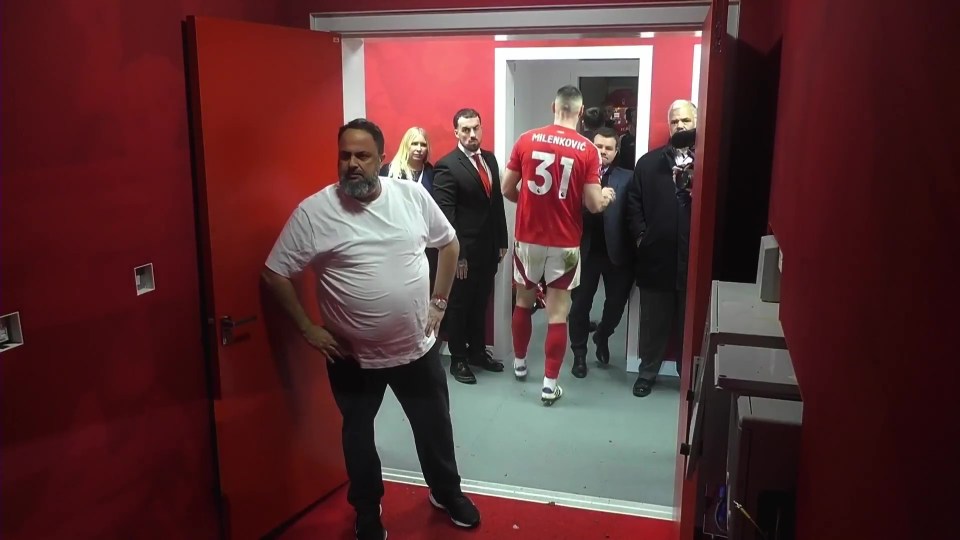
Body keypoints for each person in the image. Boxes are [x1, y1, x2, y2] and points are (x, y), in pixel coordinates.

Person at [261, 118, 480, 540]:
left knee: (434, 427)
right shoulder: (315, 212)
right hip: (352, 357)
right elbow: (274, 273)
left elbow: (448, 244)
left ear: (381, 159)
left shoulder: (412, 196)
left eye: (362, 156)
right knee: (358, 436)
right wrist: (308, 328)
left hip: (416, 349)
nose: (352, 164)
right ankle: (366, 507)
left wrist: (439, 303)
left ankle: (446, 493)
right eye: (344, 156)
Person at [502, 85, 616, 405]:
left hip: (528, 237)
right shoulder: (586, 149)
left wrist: (528, 203)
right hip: (565, 242)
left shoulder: (526, 139)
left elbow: (507, 188)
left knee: (523, 301)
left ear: (553, 106)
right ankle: (550, 384)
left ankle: (521, 363)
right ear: (580, 112)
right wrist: (605, 196)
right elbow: (594, 204)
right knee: (558, 313)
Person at [625, 100, 696, 397]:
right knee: (653, 321)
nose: (679, 126)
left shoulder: (708, 160)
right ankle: (647, 372)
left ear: (696, 122)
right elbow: (633, 204)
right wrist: (643, 237)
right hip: (657, 258)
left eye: (686, 120)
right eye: (675, 121)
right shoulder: (649, 163)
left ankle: (689, 377)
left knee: (690, 324)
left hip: (694, 260)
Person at [432, 108, 509, 385]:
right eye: (465, 130)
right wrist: (458, 255)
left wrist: (502, 240)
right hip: (462, 253)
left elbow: (496, 204)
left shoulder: (489, 159)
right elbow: (446, 217)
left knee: (480, 303)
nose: (472, 134)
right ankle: (459, 358)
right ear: (456, 133)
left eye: (475, 128)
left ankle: (477, 352)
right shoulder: (447, 165)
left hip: (488, 250)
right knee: (459, 306)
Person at [568, 127, 635, 378]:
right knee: (579, 308)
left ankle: (602, 335)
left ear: (616, 151)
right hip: (584, 253)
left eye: (608, 148)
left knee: (616, 307)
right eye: (598, 146)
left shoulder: (628, 178)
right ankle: (579, 355)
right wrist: (596, 201)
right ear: (590, 147)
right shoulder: (576, 176)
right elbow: (568, 213)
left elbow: (632, 216)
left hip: (618, 255)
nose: (602, 152)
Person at [380, 126, 439, 289]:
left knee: (426, 286)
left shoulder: (432, 173)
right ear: (406, 145)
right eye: (414, 144)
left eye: (423, 144)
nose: (419, 149)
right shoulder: (389, 171)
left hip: (426, 242)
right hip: (397, 240)